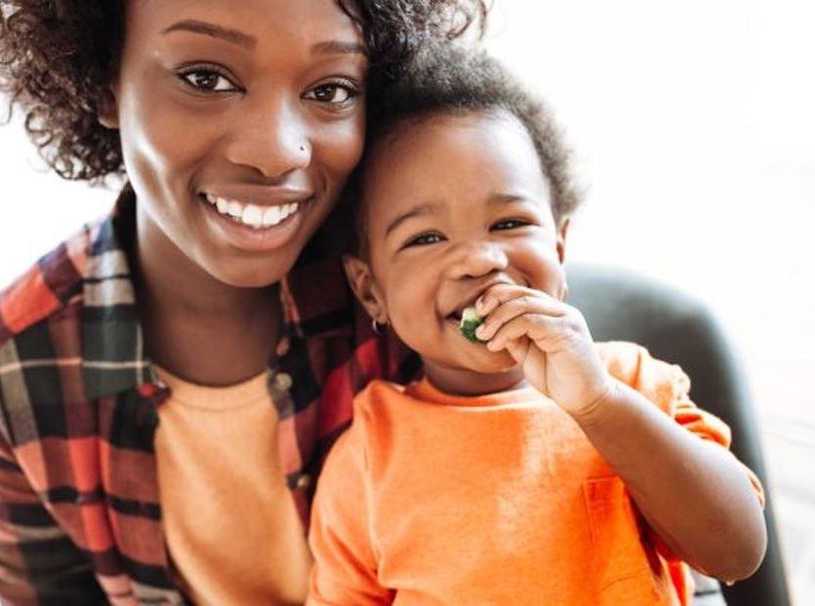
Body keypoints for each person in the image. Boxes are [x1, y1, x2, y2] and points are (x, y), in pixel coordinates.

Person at [0, 0, 487, 604]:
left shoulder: (416, 301)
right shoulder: (14, 361)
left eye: (330, 90)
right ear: (103, 81)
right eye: (206, 77)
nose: (275, 151)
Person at [306, 46, 768, 605]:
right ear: (370, 290)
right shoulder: (367, 459)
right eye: (426, 237)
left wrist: (599, 404)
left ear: (559, 247)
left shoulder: (630, 384)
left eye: (509, 222)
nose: (480, 260)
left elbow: (738, 553)